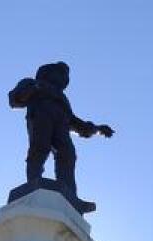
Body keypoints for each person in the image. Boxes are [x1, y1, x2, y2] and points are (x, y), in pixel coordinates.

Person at [10, 62, 113, 214]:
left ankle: (70, 195)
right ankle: (33, 183)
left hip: (61, 125)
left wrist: (98, 129)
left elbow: (77, 124)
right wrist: (34, 89)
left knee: (68, 154)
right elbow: (15, 99)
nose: (63, 78)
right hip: (40, 116)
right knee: (40, 148)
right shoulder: (33, 83)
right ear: (47, 73)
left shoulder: (62, 98)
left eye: (64, 76)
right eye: (59, 73)